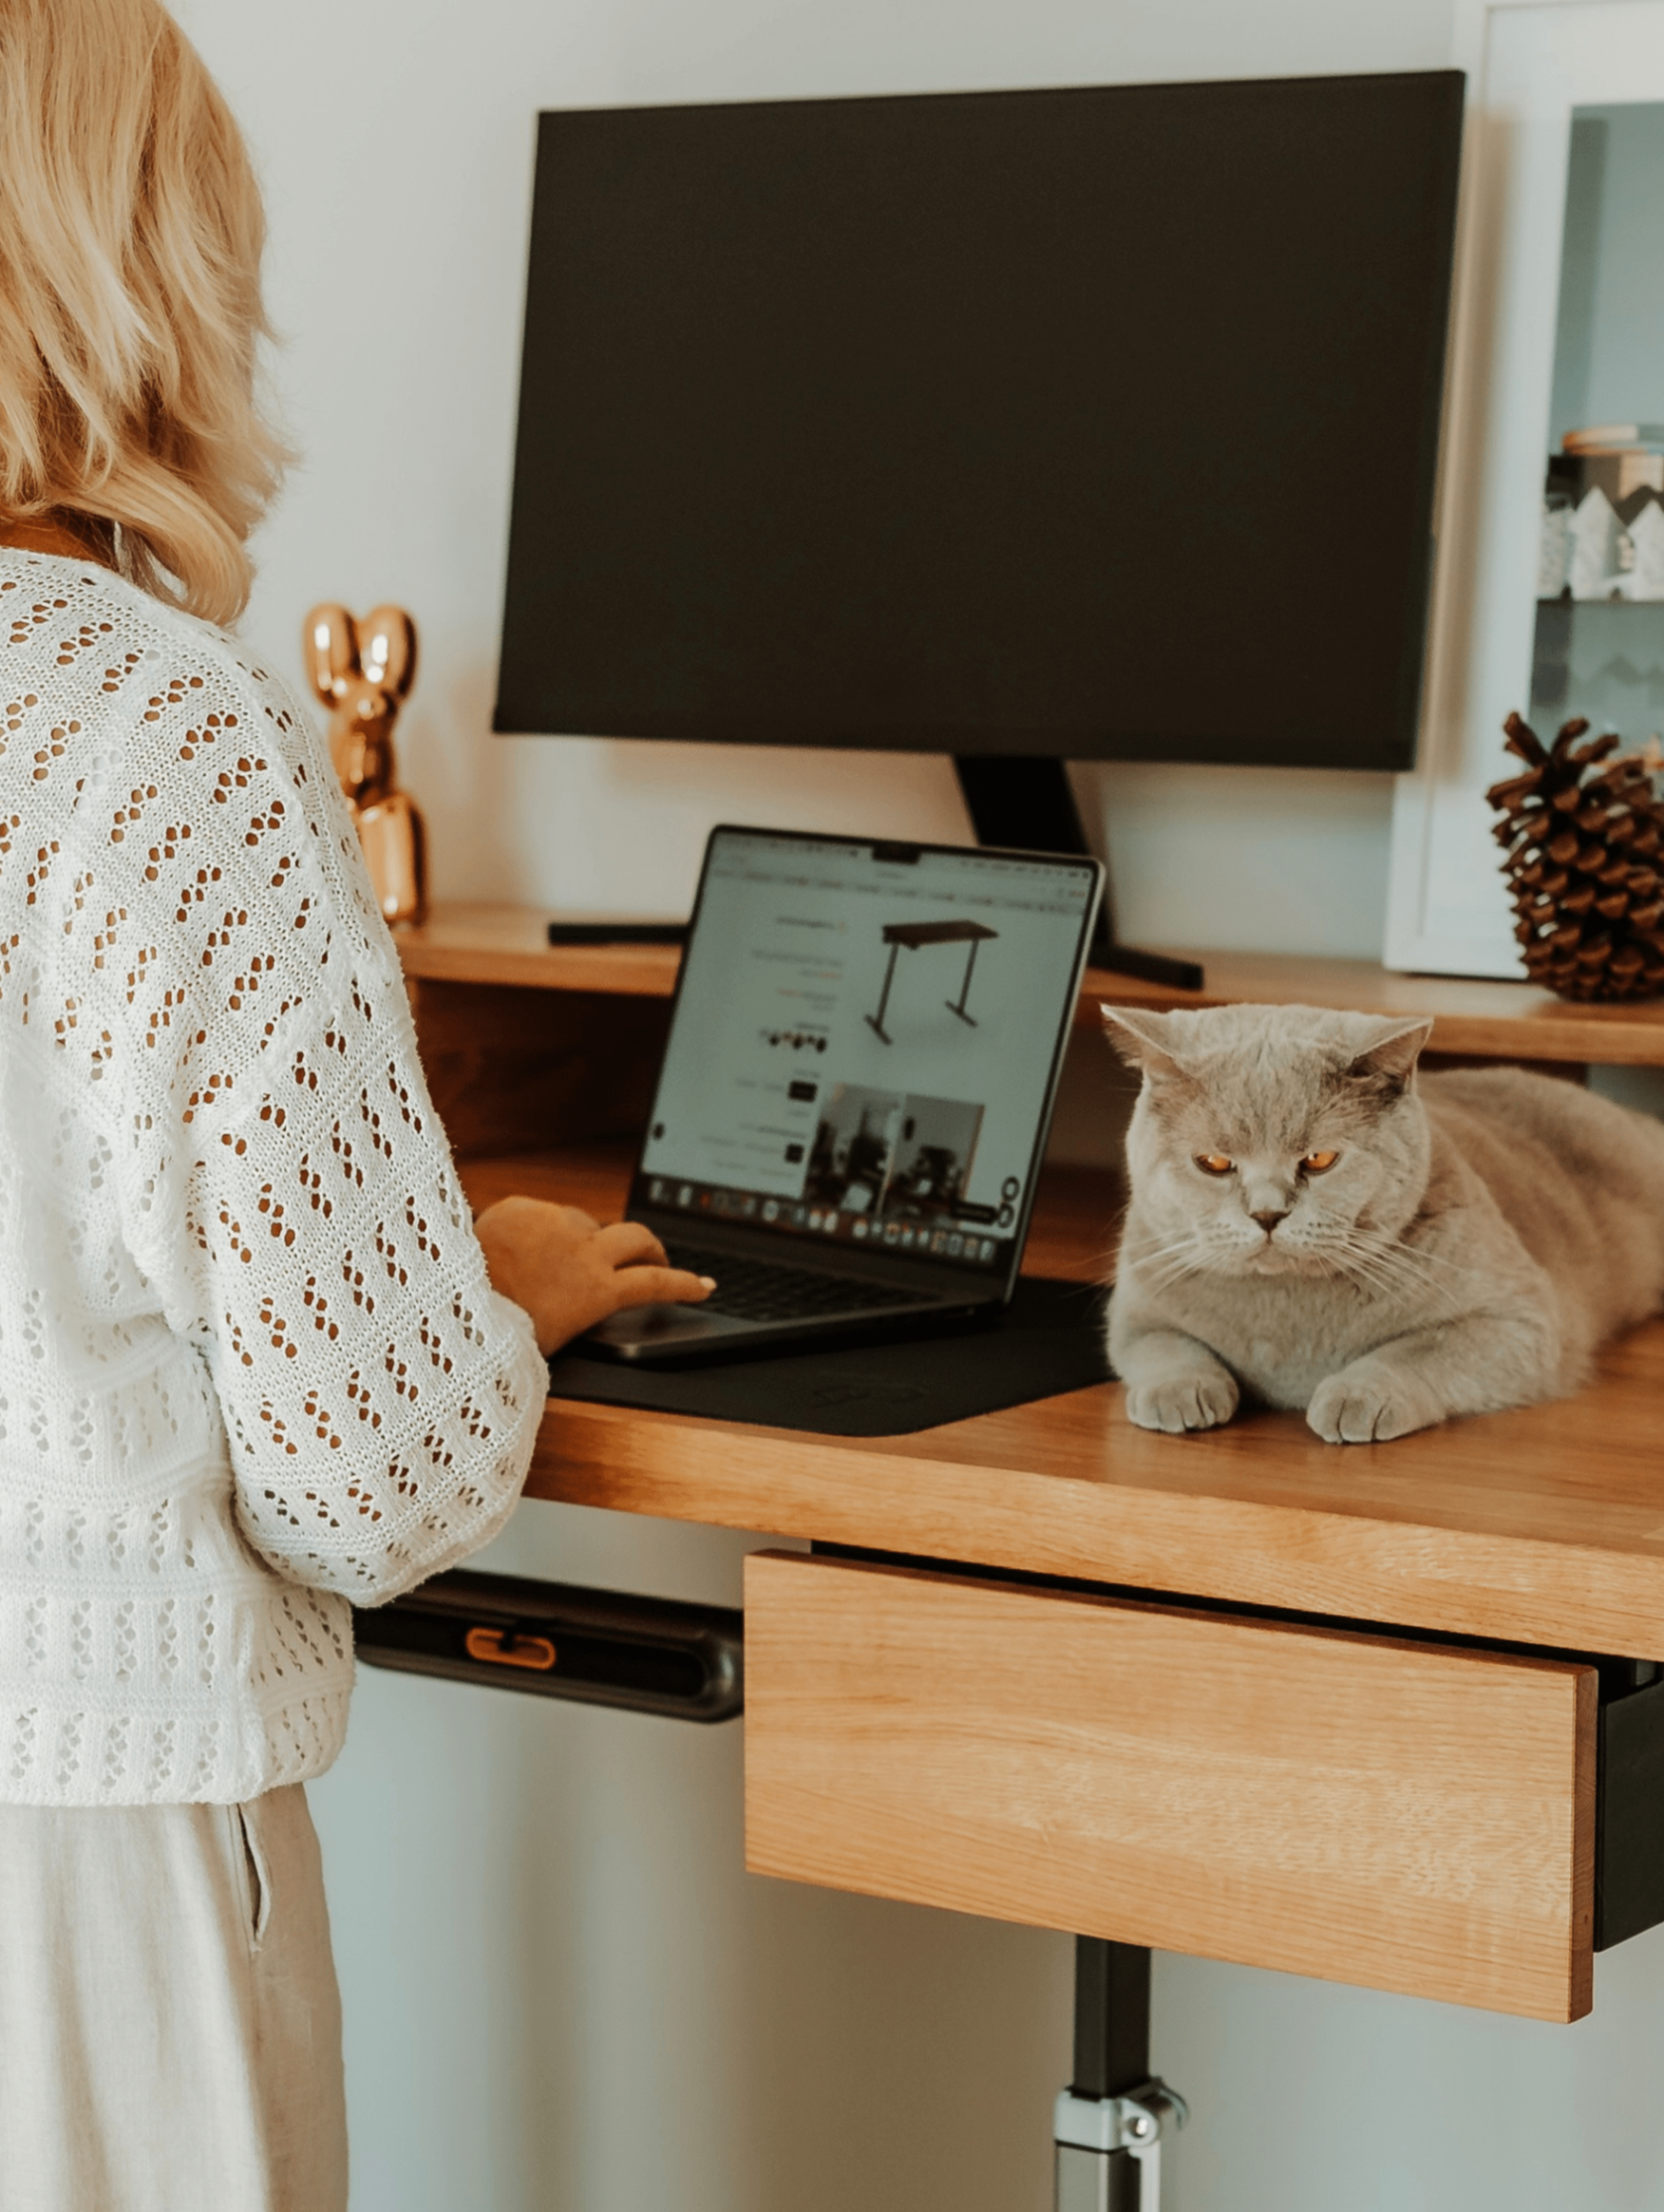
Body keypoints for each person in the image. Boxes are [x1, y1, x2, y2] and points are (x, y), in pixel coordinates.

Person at [0, 2, 712, 2203]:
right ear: (146, 257)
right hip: (78, 1868)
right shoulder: (157, 727)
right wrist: (495, 1289)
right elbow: (369, 1480)